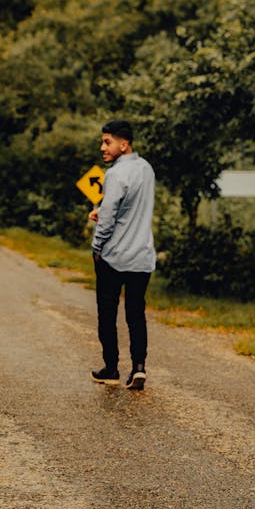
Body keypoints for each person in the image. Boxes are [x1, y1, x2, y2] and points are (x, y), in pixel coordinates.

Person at [88, 119, 156, 390]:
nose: (102, 147)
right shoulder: (147, 169)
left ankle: (111, 368)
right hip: (142, 256)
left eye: (108, 142)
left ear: (123, 144)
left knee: (107, 313)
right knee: (136, 313)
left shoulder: (115, 174)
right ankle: (139, 368)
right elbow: (130, 209)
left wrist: (97, 248)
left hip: (114, 257)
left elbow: (109, 220)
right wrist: (103, 211)